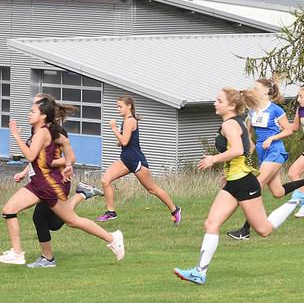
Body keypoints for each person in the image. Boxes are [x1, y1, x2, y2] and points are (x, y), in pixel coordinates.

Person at [173, 88, 301, 285]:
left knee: (264, 230)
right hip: (234, 181)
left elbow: (239, 149)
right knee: (211, 224)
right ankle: (199, 272)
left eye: (219, 100)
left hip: (244, 183)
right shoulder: (234, 122)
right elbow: (248, 147)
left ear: (231, 105)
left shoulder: (230, 124)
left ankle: (297, 201)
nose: (215, 103)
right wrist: (229, 171)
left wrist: (213, 159)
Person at [0, 97, 124, 265]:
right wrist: (63, 164)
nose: (29, 114)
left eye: (32, 111)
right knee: (9, 210)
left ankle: (112, 238)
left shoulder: (44, 132)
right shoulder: (39, 130)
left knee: (71, 221)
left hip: (49, 185)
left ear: (43, 116)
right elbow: (49, 153)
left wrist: (15, 136)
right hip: (37, 184)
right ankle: (18, 253)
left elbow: (31, 155)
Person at [228, 79, 304, 239]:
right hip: (262, 153)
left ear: (266, 91)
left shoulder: (276, 110)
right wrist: (246, 155)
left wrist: (272, 139)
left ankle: (245, 231)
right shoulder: (252, 111)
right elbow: (249, 136)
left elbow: (289, 130)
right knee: (278, 192)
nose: (254, 90)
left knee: (255, 186)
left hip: (275, 151)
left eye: (257, 88)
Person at [96, 95, 181, 225]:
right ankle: (111, 212)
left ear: (129, 106)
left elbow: (124, 142)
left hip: (136, 161)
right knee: (105, 180)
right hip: (125, 160)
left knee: (152, 189)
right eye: (117, 107)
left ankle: (175, 210)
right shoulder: (126, 122)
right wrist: (119, 136)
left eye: (120, 106)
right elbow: (124, 142)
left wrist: (113, 128)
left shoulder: (130, 120)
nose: (118, 109)